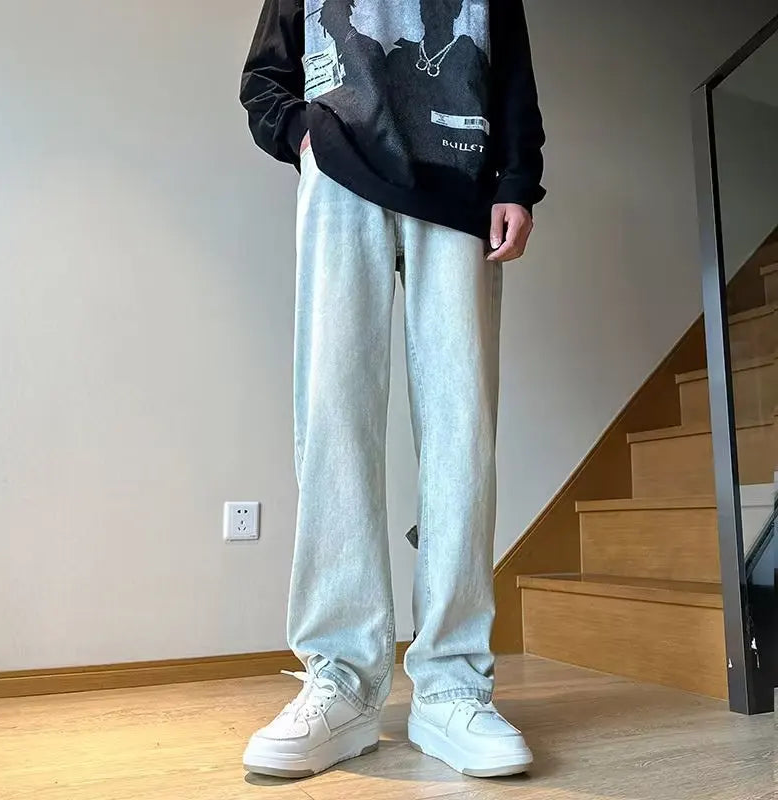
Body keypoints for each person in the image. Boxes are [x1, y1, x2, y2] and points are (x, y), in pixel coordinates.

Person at [239, 0, 545, 780]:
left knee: (462, 431)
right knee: (333, 418)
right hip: (342, 176)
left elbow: (510, 69)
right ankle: (341, 680)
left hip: (461, 179)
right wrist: (304, 136)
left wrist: (518, 179)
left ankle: (452, 684)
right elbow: (264, 77)